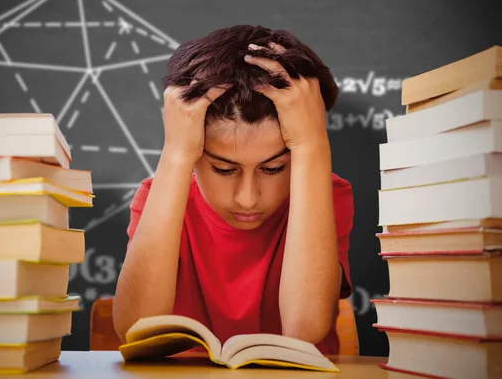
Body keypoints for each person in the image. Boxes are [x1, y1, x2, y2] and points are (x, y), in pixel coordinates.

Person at [113, 24, 354, 355]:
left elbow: (305, 329)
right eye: (224, 169)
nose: (247, 198)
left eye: (273, 168)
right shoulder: (160, 195)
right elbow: (134, 327)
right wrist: (175, 153)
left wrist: (312, 145)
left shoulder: (327, 193)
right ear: (195, 152)